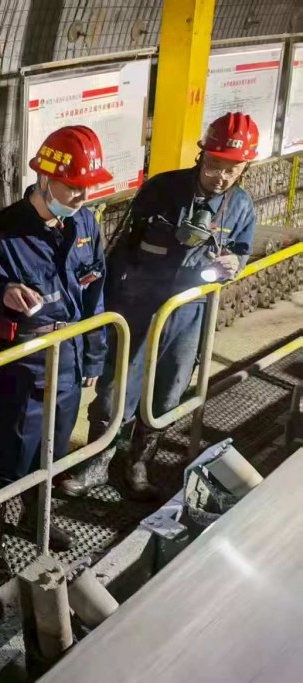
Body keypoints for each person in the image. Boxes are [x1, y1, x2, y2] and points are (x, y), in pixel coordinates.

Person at [60, 112, 258, 502]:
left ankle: (138, 463)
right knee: (116, 391)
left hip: (188, 312)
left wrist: (234, 262)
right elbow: (121, 245)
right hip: (138, 304)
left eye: (232, 169)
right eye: (215, 164)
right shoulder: (162, 189)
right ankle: (97, 462)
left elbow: (241, 250)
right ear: (202, 155)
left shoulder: (241, 206)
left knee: (168, 394)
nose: (221, 176)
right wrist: (109, 307)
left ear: (244, 168)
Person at [0, 126, 111, 578]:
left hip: (69, 356)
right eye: (72, 186)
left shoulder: (85, 225)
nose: (81, 196)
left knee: (51, 453)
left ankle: (34, 519)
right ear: (43, 179)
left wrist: (93, 355)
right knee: (3, 461)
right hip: (19, 366)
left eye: (87, 187)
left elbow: (95, 291)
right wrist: (1, 293)